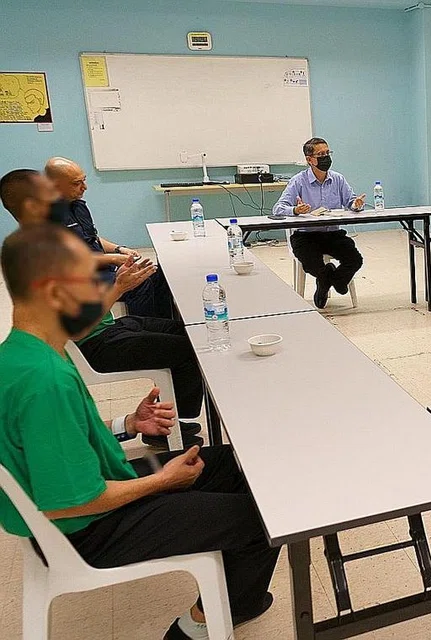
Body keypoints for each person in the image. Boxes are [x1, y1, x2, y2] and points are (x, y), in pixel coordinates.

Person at [0, 224, 280, 640]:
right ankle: (198, 626)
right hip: (88, 530)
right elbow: (68, 504)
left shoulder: (23, 352)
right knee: (266, 517)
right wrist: (161, 481)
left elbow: (47, 446)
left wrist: (128, 425)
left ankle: (234, 587)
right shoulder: (45, 381)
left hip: (95, 492)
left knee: (235, 467)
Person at [1, 169, 203, 450]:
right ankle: (162, 428)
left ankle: (171, 416)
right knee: (190, 350)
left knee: (190, 332)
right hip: (93, 344)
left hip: (107, 327)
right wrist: (119, 287)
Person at [45, 157, 174, 319]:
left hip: (103, 270)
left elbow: (92, 237)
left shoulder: (76, 205)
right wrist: (113, 259)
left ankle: (169, 325)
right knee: (140, 283)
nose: (84, 187)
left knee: (158, 274)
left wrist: (119, 249)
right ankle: (147, 327)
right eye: (76, 183)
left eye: (83, 181)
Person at [272, 137, 365, 309]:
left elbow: (351, 201)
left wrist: (356, 205)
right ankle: (328, 279)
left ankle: (329, 282)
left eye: (327, 153)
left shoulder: (338, 179)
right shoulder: (298, 181)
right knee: (312, 264)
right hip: (306, 236)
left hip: (333, 234)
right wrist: (294, 210)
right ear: (309, 160)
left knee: (355, 259)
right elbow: (278, 208)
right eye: (320, 154)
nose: (325, 157)